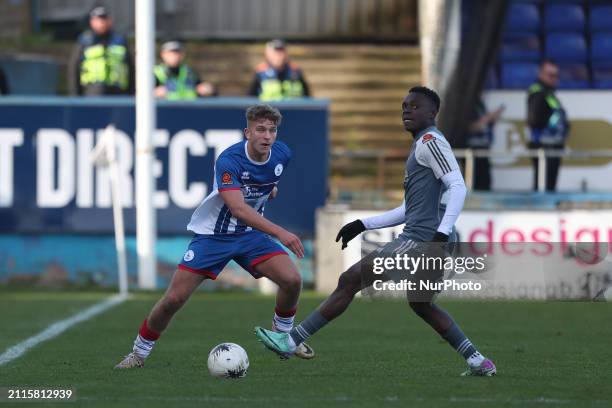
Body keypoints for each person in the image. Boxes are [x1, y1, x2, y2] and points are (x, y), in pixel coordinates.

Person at [255, 87, 497, 377]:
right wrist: (363, 225)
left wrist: (440, 235)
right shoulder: (422, 145)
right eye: (404, 105)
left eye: (415, 106)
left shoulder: (431, 141)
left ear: (433, 113)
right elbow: (410, 208)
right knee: (421, 305)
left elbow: (458, 186)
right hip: (429, 237)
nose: (407, 110)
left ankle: (290, 340)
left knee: (350, 279)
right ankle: (477, 361)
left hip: (423, 240)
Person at [114, 104, 314, 369]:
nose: (267, 136)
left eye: (272, 130)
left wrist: (269, 192)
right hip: (214, 237)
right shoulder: (229, 160)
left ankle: (282, 337)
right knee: (174, 298)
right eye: (260, 130)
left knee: (291, 279)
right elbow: (238, 209)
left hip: (250, 235)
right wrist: (281, 232)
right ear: (247, 132)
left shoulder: (282, 154)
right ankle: (138, 353)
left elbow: (268, 184)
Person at [69, 5, 134, 96]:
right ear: (91, 22)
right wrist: (75, 96)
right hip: (92, 93)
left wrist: (132, 94)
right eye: (98, 19)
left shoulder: (120, 41)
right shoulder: (85, 41)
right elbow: (74, 69)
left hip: (118, 93)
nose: (101, 23)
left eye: (104, 19)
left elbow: (130, 67)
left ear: (110, 21)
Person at [527, 60, 569, 191]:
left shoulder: (549, 93)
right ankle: (537, 210)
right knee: (543, 185)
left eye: (556, 75)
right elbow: (534, 119)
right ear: (541, 74)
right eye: (550, 75)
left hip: (553, 145)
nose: (553, 78)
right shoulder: (538, 92)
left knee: (549, 184)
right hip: (544, 145)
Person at [465, 98, 504, 191]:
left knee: (486, 182)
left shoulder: (480, 104)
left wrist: (493, 120)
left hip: (484, 150)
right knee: (475, 182)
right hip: (472, 151)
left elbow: (485, 125)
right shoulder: (467, 105)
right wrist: (487, 119)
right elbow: (469, 127)